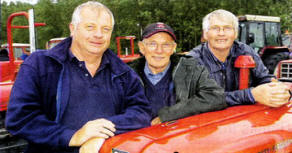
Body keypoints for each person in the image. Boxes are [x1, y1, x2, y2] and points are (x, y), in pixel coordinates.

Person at [5, 1, 151, 153]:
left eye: (106, 29)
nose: (98, 34)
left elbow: (142, 112)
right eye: (90, 27)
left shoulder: (124, 73)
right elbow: (20, 118)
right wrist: (72, 136)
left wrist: (102, 130)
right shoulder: (39, 65)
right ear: (72, 29)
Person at [129, 22, 227, 125]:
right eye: (152, 44)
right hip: (138, 138)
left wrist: (169, 115)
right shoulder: (126, 74)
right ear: (142, 47)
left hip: (178, 136)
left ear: (173, 48)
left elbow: (217, 97)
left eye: (166, 45)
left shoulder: (191, 68)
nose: (159, 50)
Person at [188, 9, 290, 107]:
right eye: (215, 28)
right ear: (205, 34)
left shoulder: (246, 51)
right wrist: (251, 95)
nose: (221, 33)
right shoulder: (192, 61)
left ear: (235, 33)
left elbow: (264, 78)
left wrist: (278, 91)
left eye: (227, 28)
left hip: (243, 120)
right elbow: (199, 99)